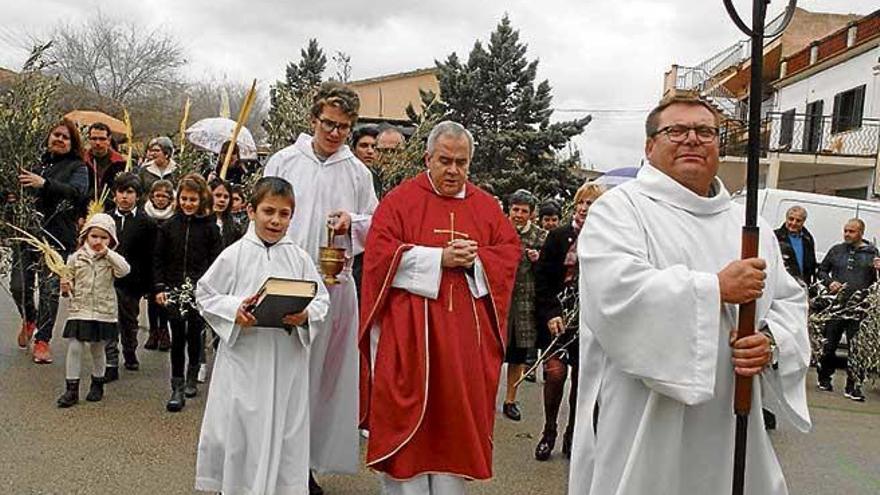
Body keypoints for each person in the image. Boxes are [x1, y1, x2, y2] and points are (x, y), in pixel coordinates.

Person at [568, 96, 811, 494]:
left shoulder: (750, 225)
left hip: (732, 420)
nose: (692, 140)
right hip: (645, 417)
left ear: (719, 145)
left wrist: (769, 343)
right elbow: (615, 294)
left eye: (705, 132)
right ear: (649, 146)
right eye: (676, 131)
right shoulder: (620, 210)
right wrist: (715, 288)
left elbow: (788, 301)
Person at [359, 121, 520, 494]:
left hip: (464, 343)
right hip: (410, 339)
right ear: (427, 158)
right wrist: (438, 258)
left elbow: (509, 253)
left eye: (461, 163)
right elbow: (379, 257)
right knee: (407, 432)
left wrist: (478, 259)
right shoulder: (400, 201)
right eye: (445, 161)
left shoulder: (485, 206)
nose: (453, 171)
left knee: (453, 429)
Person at [262, 81, 378, 490]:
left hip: (334, 288)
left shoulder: (358, 172)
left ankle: (304, 466)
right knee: (281, 374)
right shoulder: (283, 161)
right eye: (328, 123)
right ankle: (270, 459)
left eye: (344, 127)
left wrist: (354, 223)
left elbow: (375, 226)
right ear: (313, 119)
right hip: (285, 281)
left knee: (320, 381)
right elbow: (262, 215)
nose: (335, 132)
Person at [194, 177, 330, 494]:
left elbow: (322, 300)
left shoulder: (299, 258)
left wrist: (306, 314)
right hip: (245, 360)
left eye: (284, 214)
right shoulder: (234, 254)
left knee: (284, 430)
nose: (275, 220)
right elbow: (206, 294)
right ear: (252, 211)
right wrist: (234, 309)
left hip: (286, 361)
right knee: (241, 428)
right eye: (268, 211)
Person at [533, 183, 604, 461]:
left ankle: (573, 435)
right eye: (582, 203)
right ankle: (548, 431)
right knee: (555, 374)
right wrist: (551, 313)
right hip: (558, 320)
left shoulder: (605, 240)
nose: (585, 208)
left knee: (581, 383)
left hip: (588, 322)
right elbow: (542, 280)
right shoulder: (558, 237)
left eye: (591, 204)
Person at [14, 119, 90, 364]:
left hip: (57, 236)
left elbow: (77, 193)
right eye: (56, 135)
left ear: (72, 143)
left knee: (49, 290)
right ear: (48, 137)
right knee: (18, 284)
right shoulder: (32, 160)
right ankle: (29, 317)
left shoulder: (78, 167)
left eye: (65, 137)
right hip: (26, 232)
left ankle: (43, 340)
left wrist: (44, 184)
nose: (59, 139)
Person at [153, 174, 223, 412]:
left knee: (194, 334)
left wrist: (210, 290)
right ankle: (177, 385)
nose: (188, 204)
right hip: (173, 288)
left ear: (201, 199)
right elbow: (159, 258)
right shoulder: (169, 226)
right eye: (184, 198)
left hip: (198, 290)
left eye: (193, 199)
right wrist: (159, 287)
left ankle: (193, 374)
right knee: (177, 337)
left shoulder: (211, 228)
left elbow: (217, 263)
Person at [56, 213, 130, 407]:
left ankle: (98, 382)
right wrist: (65, 287)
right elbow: (68, 278)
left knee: (98, 349)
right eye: (94, 236)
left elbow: (124, 270)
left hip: (103, 310)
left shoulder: (110, 259)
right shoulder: (76, 258)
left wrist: (108, 253)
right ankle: (71, 389)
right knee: (75, 347)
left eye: (104, 237)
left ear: (111, 239)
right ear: (85, 237)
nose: (98, 241)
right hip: (80, 308)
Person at [100, 172, 156, 382]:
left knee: (128, 319)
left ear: (138, 196)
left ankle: (130, 349)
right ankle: (110, 361)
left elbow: (150, 255)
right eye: (121, 192)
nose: (124, 197)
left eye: (129, 192)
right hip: (108, 279)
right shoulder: (106, 218)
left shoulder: (145, 223)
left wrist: (150, 285)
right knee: (108, 320)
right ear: (114, 195)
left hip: (133, 281)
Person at [816, 218, 880, 402]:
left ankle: (853, 386)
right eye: (845, 230)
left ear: (861, 233)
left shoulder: (872, 252)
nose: (847, 234)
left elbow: (877, 281)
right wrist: (830, 283)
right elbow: (822, 270)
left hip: (860, 308)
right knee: (829, 346)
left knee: (857, 349)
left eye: (851, 231)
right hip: (837, 306)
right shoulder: (837, 250)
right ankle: (824, 378)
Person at [501, 189, 547, 422]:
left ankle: (510, 399)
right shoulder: (498, 229)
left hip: (524, 305)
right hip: (498, 301)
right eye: (515, 209)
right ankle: (484, 397)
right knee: (492, 352)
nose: (518, 214)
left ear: (531, 214)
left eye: (523, 211)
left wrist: (538, 260)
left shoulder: (540, 237)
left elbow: (549, 271)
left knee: (518, 356)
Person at [143, 180, 175, 352]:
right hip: (149, 260)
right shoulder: (146, 213)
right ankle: (153, 331)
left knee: (164, 299)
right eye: (158, 196)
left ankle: (164, 331)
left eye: (165, 196)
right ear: (152, 197)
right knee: (152, 300)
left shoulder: (173, 216)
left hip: (167, 262)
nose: (161, 199)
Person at [83, 122, 125, 207]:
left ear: (109, 140)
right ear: (89, 140)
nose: (98, 143)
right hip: (86, 208)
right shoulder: (82, 162)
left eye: (102, 139)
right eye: (94, 139)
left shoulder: (121, 163)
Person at [774, 205, 817, 287]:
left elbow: (811, 265)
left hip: (802, 285)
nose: (793, 223)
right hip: (781, 284)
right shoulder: (775, 236)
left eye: (798, 221)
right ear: (786, 219)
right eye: (791, 219)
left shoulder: (808, 239)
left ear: (803, 222)